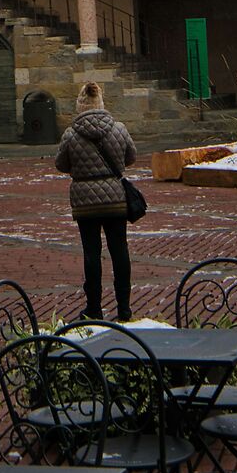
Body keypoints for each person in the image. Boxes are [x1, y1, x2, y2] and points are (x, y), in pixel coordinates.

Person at [55, 80, 136, 320]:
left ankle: (94, 308)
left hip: (85, 203)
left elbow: (61, 164)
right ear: (101, 103)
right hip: (115, 200)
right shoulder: (118, 128)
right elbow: (131, 156)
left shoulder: (71, 134)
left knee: (91, 254)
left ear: (80, 105)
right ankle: (124, 307)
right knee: (120, 251)